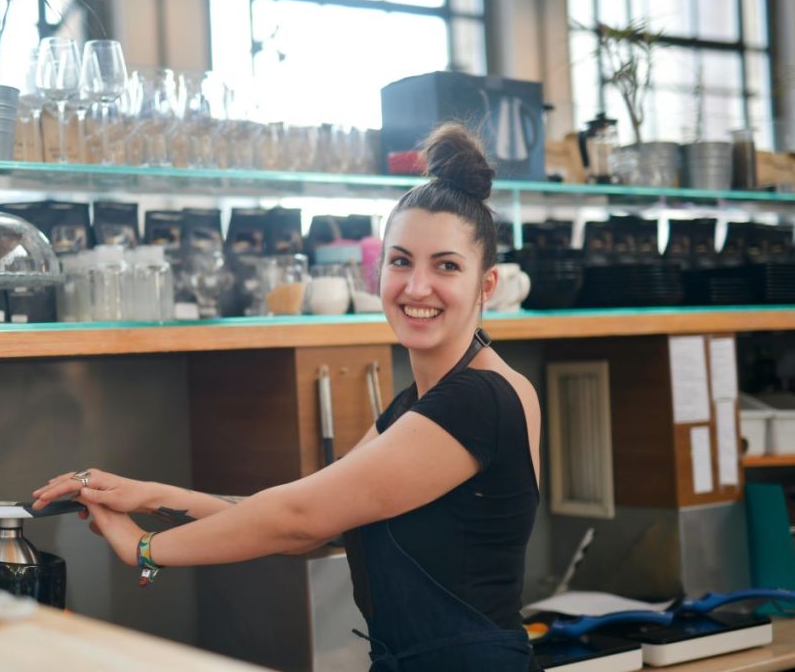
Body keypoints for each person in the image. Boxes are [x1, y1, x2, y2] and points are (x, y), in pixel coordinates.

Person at [33, 122, 542, 671]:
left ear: (486, 285)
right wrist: (150, 495)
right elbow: (315, 521)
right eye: (400, 261)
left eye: (446, 266)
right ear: (377, 272)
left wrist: (144, 549)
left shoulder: (479, 400)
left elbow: (297, 517)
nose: (416, 287)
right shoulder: (414, 406)